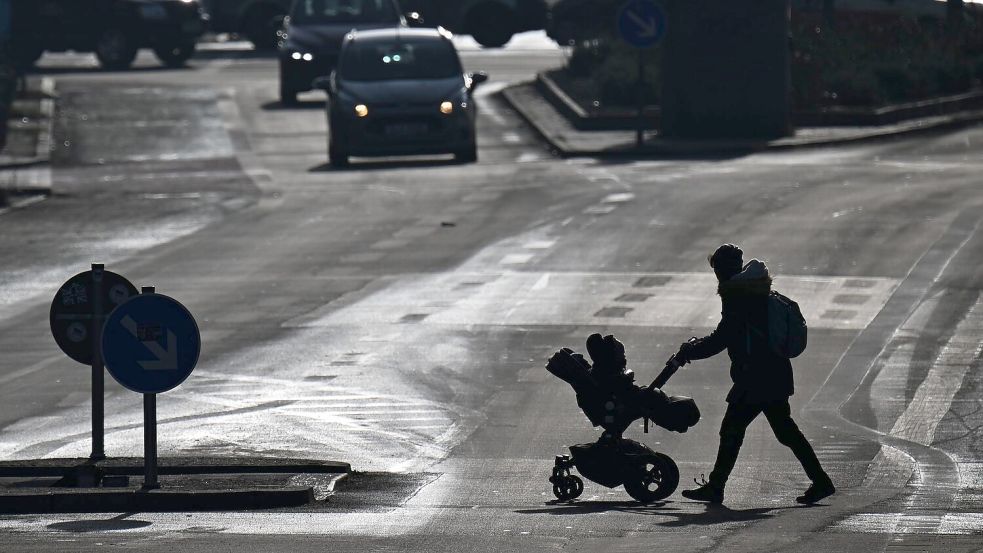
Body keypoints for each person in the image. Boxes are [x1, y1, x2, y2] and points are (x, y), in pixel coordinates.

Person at [675, 244, 835, 505]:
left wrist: (689, 352)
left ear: (723, 269)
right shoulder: (756, 290)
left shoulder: (738, 296)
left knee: (733, 429)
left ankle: (716, 487)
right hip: (773, 374)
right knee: (783, 432)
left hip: (756, 378)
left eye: (716, 269)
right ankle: (820, 481)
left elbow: (722, 338)